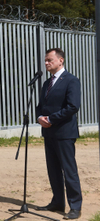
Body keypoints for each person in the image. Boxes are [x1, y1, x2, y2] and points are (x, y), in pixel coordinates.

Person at [35, 48, 82, 220]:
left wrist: (51, 119)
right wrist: (40, 117)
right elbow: (40, 106)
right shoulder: (46, 84)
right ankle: (57, 202)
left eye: (50, 60)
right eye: (45, 60)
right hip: (48, 133)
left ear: (61, 60)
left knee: (69, 171)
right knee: (53, 170)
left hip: (64, 133)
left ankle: (75, 206)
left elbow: (73, 106)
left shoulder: (71, 80)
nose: (46, 63)